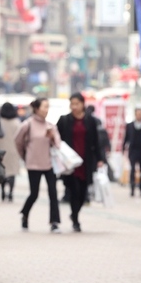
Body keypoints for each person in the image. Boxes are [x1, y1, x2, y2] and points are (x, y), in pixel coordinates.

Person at [56, 93, 103, 232]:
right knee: (73, 190)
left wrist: (100, 159)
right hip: (70, 162)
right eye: (72, 104)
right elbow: (57, 140)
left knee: (83, 192)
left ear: (83, 104)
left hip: (86, 161)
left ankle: (75, 213)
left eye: (77, 104)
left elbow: (96, 141)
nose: (74, 107)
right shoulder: (64, 120)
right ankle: (75, 219)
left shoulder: (91, 121)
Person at [15, 98, 61, 233]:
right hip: (33, 164)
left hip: (49, 164)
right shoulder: (27, 125)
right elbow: (18, 142)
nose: (47, 110)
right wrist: (25, 156)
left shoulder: (51, 126)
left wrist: (52, 137)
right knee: (34, 194)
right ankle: (25, 214)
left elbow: (58, 145)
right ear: (36, 108)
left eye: (48, 107)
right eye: (44, 107)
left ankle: (54, 222)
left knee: (53, 193)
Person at [123, 107, 141, 197]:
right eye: (137, 114)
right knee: (132, 169)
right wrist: (123, 149)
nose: (139, 115)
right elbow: (126, 138)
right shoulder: (130, 125)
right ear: (135, 114)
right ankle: (132, 188)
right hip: (133, 150)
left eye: (140, 114)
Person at [0, 102, 21, 202]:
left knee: (2, 172)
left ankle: (2, 191)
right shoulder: (16, 122)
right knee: (12, 173)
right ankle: (11, 192)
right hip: (13, 150)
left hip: (1, 150)